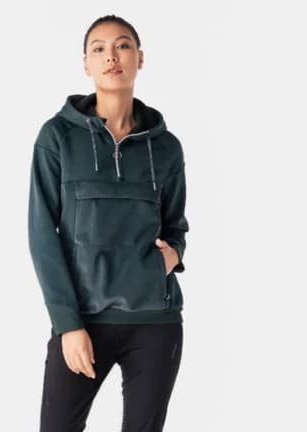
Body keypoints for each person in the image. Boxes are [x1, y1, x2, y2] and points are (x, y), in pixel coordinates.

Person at [27, 14, 190, 432]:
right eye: (99, 49)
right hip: (84, 321)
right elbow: (43, 235)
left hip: (155, 323)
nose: (111, 56)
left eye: (122, 46)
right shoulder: (57, 138)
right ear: (86, 64)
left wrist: (173, 254)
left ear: (140, 58)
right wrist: (68, 325)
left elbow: (175, 225)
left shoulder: (166, 148)